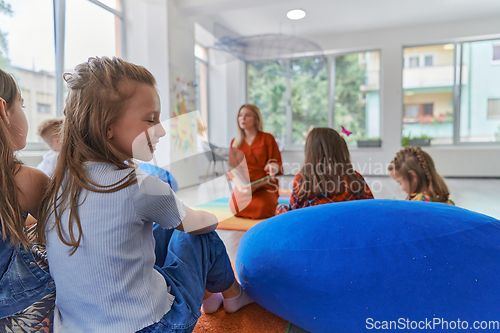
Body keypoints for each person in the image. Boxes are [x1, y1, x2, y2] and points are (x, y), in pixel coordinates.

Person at [37, 57, 253, 333]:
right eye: (151, 120)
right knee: (198, 235)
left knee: (161, 230)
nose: (161, 130)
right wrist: (209, 214)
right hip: (152, 326)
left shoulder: (58, 183)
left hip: (76, 328)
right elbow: (200, 224)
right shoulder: (138, 185)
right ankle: (233, 294)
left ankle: (211, 296)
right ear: (107, 126)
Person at [0, 68, 55, 331]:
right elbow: (67, 237)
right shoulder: (25, 181)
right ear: (3, 110)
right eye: (21, 104)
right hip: (14, 310)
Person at [276, 128, 374, 215]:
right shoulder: (354, 177)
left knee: (281, 209)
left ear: (310, 152)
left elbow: (293, 215)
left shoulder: (302, 179)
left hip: (314, 232)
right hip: (348, 231)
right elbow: (371, 208)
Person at [228, 104, 283, 219]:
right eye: (240, 115)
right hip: (244, 187)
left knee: (263, 208)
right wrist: (241, 187)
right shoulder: (235, 142)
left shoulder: (268, 138)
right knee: (235, 207)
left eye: (247, 115)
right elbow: (232, 171)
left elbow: (277, 164)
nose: (242, 118)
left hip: (264, 185)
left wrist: (273, 167)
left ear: (256, 119)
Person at [388, 147, 454, 204]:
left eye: (400, 183)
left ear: (412, 176)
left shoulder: (415, 203)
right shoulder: (447, 202)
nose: (401, 189)